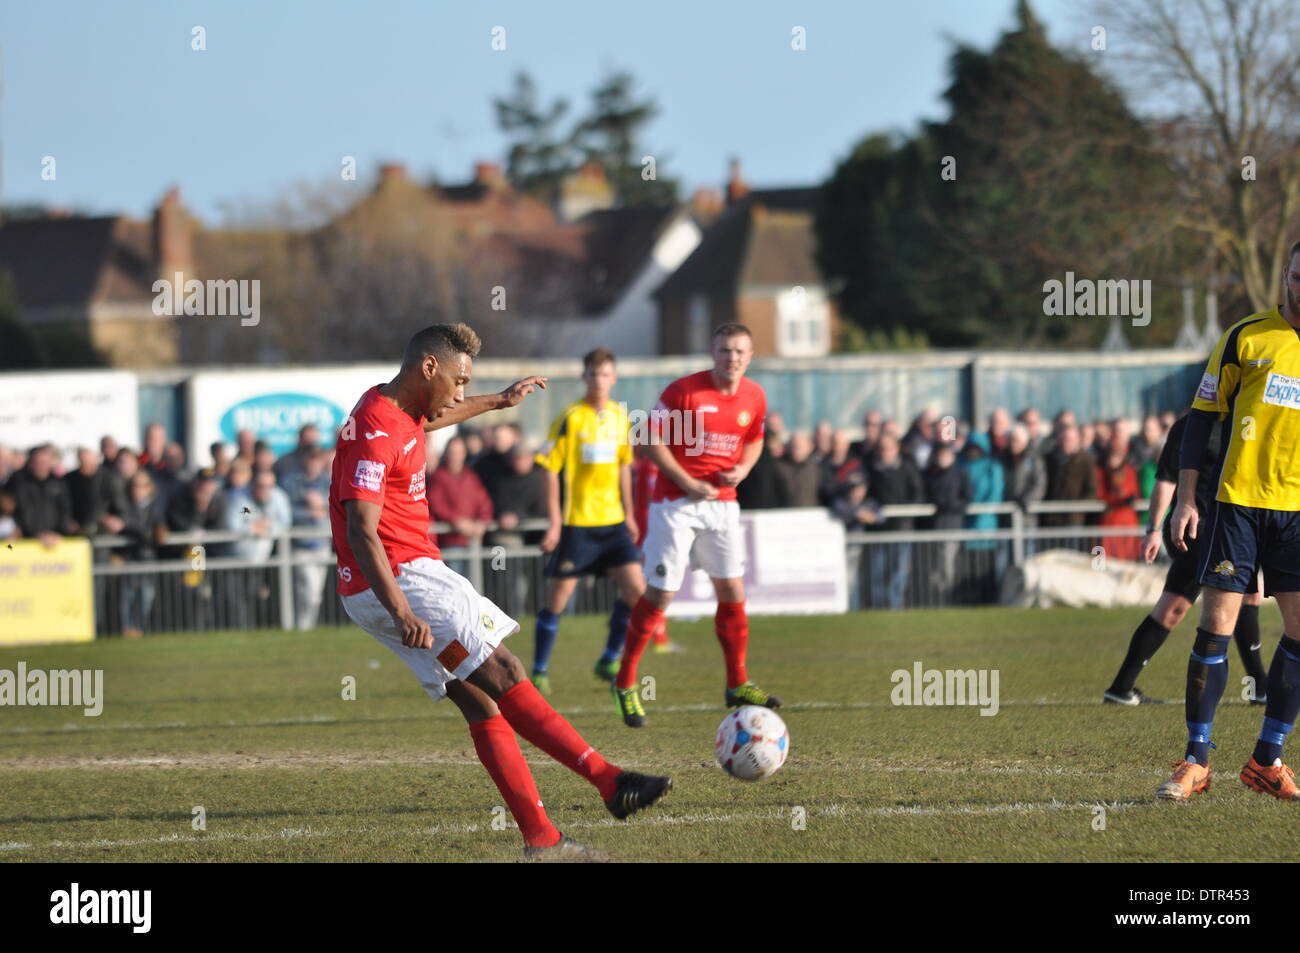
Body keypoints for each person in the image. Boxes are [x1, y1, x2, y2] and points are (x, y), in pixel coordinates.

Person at [329, 323, 670, 861]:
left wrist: (498, 402)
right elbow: (360, 529)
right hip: (404, 578)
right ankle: (609, 781)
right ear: (429, 368)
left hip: (379, 585)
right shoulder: (376, 428)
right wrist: (401, 607)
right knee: (507, 671)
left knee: (481, 699)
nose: (461, 393)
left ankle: (543, 840)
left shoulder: (393, 405)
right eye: (460, 380)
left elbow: (436, 417)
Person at [1156, 244, 1300, 802]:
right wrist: (1186, 497)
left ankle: (1267, 759)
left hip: (1297, 513)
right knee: (1215, 627)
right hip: (1236, 503)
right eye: (1296, 276)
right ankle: (1196, 759)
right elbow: (1202, 418)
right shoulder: (1247, 335)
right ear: (1287, 277)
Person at [611, 323, 782, 728]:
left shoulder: (755, 396)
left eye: (740, 351)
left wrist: (743, 468)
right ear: (713, 352)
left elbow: (755, 437)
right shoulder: (684, 392)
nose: (732, 358)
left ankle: (737, 682)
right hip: (675, 504)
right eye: (725, 351)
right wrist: (686, 480)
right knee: (662, 594)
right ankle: (625, 681)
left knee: (733, 590)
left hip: (722, 505)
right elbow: (646, 436)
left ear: (750, 356)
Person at [1102, 413, 1267, 707]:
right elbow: (1166, 480)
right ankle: (1259, 689)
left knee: (1173, 607)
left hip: (1226, 529)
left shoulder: (1243, 418)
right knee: (1246, 598)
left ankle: (1121, 688)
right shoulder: (1193, 425)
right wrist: (1152, 530)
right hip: (1202, 531)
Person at [530, 348, 647, 696]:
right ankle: (538, 671)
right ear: (585, 378)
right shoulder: (571, 418)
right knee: (558, 600)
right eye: (593, 375)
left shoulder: (619, 418)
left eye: (605, 374)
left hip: (612, 524)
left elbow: (625, 466)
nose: (599, 380)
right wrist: (554, 522)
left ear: (614, 378)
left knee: (637, 591)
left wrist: (629, 513)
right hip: (577, 524)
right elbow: (548, 468)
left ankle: (609, 657)